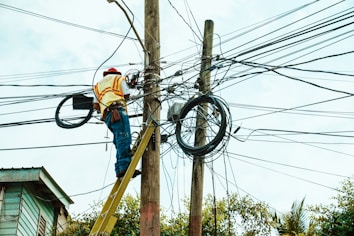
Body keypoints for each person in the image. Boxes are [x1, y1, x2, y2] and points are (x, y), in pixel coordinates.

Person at [93, 67, 141, 178]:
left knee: (118, 140)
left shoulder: (98, 85)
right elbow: (126, 94)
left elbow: (95, 105)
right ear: (115, 73)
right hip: (118, 111)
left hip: (108, 116)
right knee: (124, 138)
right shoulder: (118, 78)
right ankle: (124, 167)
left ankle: (119, 168)